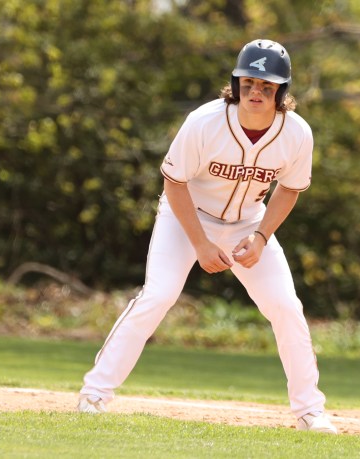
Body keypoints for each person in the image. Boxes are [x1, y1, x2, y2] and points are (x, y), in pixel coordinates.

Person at [77, 39, 337, 434]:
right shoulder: (205, 122)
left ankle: (310, 412)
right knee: (159, 295)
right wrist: (200, 243)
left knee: (285, 305)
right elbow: (174, 181)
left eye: (266, 86)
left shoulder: (296, 133)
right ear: (236, 84)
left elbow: (290, 188)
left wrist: (262, 237)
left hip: (249, 222)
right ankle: (94, 394)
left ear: (281, 91)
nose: (255, 92)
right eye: (248, 83)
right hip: (186, 218)